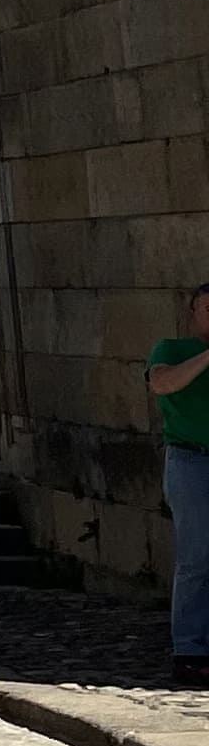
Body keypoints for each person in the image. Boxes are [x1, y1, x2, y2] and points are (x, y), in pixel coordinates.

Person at [148, 282, 209, 681]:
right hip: (192, 461)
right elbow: (162, 383)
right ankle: (189, 649)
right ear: (193, 314)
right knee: (197, 556)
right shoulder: (171, 349)